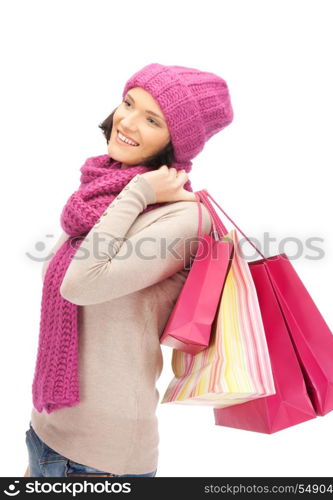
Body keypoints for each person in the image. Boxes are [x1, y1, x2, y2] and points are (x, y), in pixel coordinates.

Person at [24, 63, 234, 477]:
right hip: (44, 433)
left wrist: (140, 192)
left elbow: (81, 285)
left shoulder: (182, 220)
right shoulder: (101, 196)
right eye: (128, 103)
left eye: (152, 119)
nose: (127, 121)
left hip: (103, 460)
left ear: (177, 140)